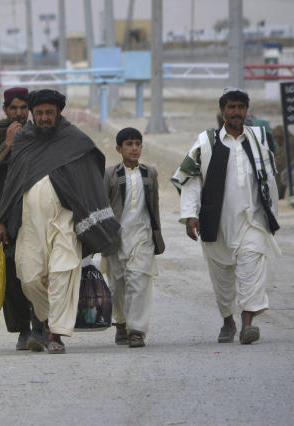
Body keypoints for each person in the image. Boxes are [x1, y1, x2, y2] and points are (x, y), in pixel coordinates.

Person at [0, 89, 119, 354]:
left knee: (63, 275)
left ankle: (56, 334)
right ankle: (48, 318)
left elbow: (90, 183)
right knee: (29, 278)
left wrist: (92, 226)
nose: (44, 118)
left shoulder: (75, 141)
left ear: (59, 112)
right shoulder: (24, 140)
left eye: (49, 113)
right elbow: (12, 185)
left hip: (65, 224)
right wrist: (2, 222)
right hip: (30, 226)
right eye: (39, 113)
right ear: (33, 114)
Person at [172, 88, 280, 345]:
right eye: (231, 107)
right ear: (222, 112)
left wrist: (272, 216)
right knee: (222, 278)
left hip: (252, 220)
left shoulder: (259, 138)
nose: (236, 112)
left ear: (246, 111)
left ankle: (247, 324)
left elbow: (270, 180)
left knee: (251, 270)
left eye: (241, 107)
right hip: (217, 222)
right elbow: (190, 179)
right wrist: (189, 215)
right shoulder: (206, 141)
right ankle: (228, 321)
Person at [0, 87, 44, 351]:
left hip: (34, 210)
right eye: (13, 108)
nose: (18, 113)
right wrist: (7, 144)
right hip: (3, 213)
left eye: (22, 108)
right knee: (12, 269)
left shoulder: (40, 134)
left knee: (37, 269)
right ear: (5, 109)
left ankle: (40, 326)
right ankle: (23, 329)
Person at [102, 127, 164, 348]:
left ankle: (136, 330)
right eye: (129, 144)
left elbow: (154, 206)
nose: (134, 148)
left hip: (143, 237)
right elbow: (103, 206)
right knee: (117, 286)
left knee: (138, 281)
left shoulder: (150, 173)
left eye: (138, 144)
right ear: (119, 148)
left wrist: (156, 235)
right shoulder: (110, 174)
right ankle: (121, 323)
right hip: (116, 238)